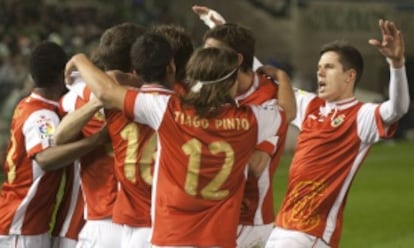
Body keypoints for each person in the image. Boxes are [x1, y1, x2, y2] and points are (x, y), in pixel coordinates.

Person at [64, 44, 295, 247]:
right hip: (218, 240)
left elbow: (106, 91)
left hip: (171, 237)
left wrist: (79, 59)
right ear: (232, 82)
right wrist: (283, 78)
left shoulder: (168, 110)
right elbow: (288, 111)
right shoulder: (253, 120)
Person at [262, 19, 409, 248]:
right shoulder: (310, 106)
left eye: (329, 67)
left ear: (349, 76)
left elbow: (397, 108)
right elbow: (264, 80)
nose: (320, 71)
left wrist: (396, 64)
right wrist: (225, 36)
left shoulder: (361, 116)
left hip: (311, 232)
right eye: (319, 67)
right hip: (284, 225)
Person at [195, 8, 294, 247]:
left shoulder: (268, 101)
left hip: (247, 220)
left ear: (237, 60)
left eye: (214, 52)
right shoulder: (204, 89)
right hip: (206, 214)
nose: (207, 58)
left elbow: (256, 166)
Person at [0, 41, 106, 248]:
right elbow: (46, 158)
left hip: (22, 222)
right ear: (62, 74)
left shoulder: (26, 104)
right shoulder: (43, 115)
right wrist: (95, 140)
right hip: (20, 227)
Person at [53, 22, 146, 248]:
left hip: (101, 220)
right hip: (145, 221)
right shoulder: (155, 98)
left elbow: (58, 137)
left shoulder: (76, 97)